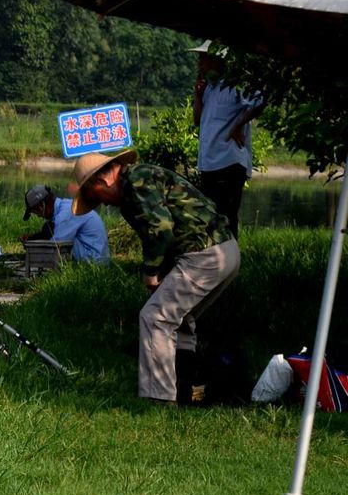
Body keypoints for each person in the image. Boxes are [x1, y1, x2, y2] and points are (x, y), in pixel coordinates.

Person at [71, 149, 237, 402]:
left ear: (101, 181)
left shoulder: (136, 180)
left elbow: (161, 229)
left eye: (99, 198)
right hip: (225, 251)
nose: (104, 203)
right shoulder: (141, 179)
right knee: (180, 319)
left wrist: (151, 272)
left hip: (205, 255)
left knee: (155, 317)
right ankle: (185, 389)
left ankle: (158, 398)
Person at [192, 44, 265, 234]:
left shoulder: (235, 85)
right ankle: (218, 259)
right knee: (212, 217)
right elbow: (197, 120)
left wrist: (238, 125)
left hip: (228, 161)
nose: (200, 64)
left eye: (204, 58)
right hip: (209, 163)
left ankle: (231, 259)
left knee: (227, 216)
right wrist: (198, 96)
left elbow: (259, 101)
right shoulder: (209, 89)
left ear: (218, 60)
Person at [18, 182, 109, 263]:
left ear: (42, 205)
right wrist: (32, 238)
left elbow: (55, 248)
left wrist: (31, 246)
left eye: (36, 213)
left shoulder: (67, 213)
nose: (39, 216)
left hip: (94, 262)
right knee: (48, 228)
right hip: (94, 256)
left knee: (53, 242)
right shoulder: (66, 206)